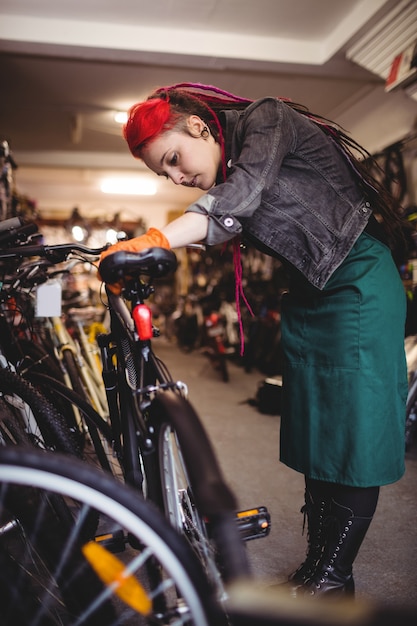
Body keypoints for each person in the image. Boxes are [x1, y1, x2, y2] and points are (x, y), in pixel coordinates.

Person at [99, 83, 408, 597]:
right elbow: (229, 213)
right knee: (319, 431)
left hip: (356, 281)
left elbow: (240, 197)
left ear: (198, 126)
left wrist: (156, 238)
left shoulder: (266, 120)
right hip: (309, 293)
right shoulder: (228, 164)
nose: (176, 177)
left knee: (353, 427)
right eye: (165, 173)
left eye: (174, 159)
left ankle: (334, 575)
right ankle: (320, 567)